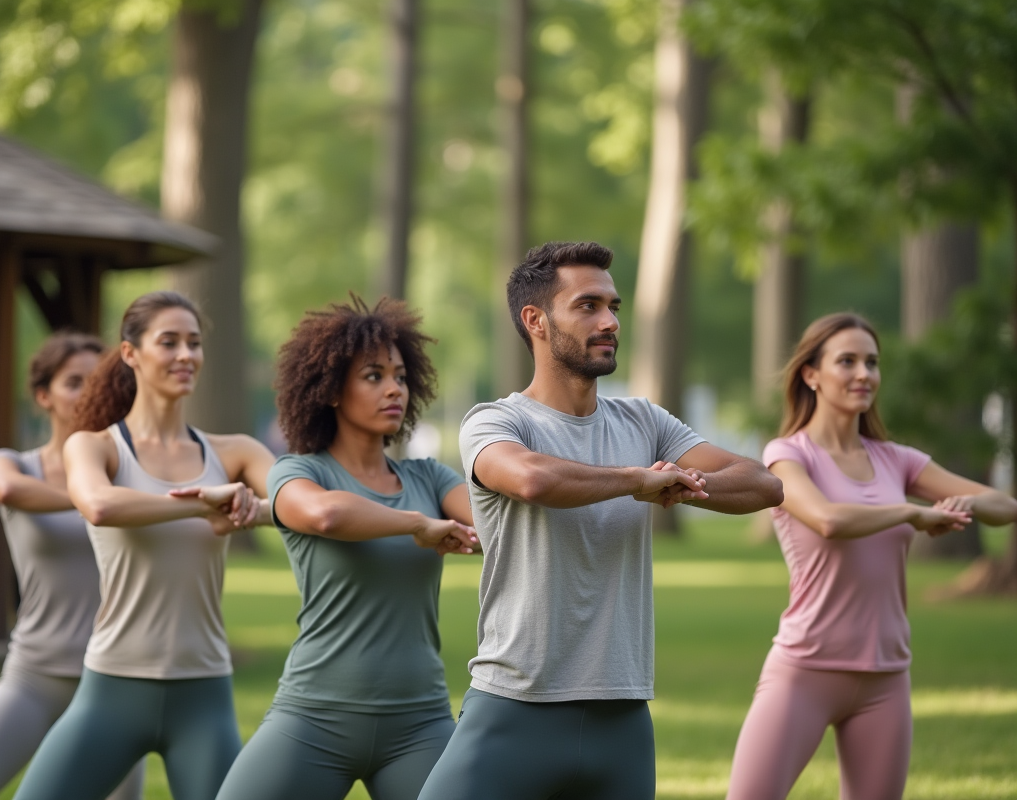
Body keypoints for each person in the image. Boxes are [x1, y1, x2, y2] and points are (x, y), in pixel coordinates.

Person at [417, 241, 784, 800]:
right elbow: (533, 480)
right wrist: (640, 480)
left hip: (624, 719)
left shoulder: (645, 420)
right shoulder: (495, 422)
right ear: (535, 321)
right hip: (515, 708)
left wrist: (681, 488)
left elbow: (763, 483)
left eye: (613, 306)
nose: (610, 321)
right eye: (588, 305)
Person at [724, 313, 1017, 800]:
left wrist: (964, 504)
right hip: (806, 669)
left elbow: (1006, 506)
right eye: (848, 361)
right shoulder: (787, 456)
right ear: (811, 374)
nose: (864, 374)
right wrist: (912, 514)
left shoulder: (896, 459)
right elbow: (827, 519)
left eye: (873, 362)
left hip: (886, 675)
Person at [13, 292, 275, 800]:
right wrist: (204, 504)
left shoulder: (235, 452)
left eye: (195, 343)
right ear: (130, 354)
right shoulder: (93, 447)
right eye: (169, 341)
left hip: (204, 691)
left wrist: (251, 511)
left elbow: (302, 504)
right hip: (112, 687)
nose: (186, 355)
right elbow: (100, 506)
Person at [212, 296, 477, 800]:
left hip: (419, 722)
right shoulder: (298, 472)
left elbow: (497, 524)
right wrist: (418, 525)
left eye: (399, 375)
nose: (394, 388)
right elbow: (324, 514)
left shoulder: (428, 476)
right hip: (313, 716)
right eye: (373, 376)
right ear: (332, 389)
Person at [0, 333, 144, 800]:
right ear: (43, 395)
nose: (88, 392)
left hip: (116, 681)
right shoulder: (15, 465)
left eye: (98, 382)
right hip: (34, 675)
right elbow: (4, 490)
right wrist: (95, 500)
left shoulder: (132, 475)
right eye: (74, 382)